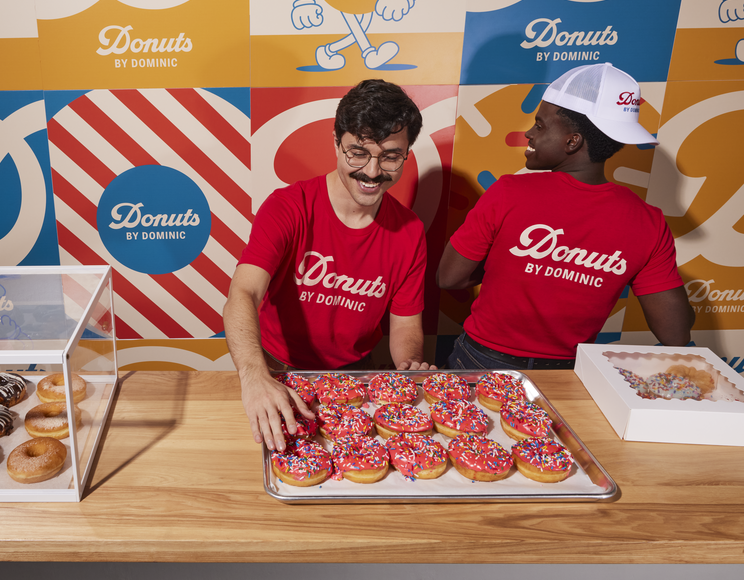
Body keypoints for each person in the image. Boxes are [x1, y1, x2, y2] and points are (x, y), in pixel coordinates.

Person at [437, 63, 694, 370]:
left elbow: (449, 277)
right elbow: (676, 332)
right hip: (568, 372)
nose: (529, 133)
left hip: (482, 361)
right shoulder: (648, 221)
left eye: (540, 126)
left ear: (573, 141)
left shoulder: (509, 192)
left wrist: (503, 264)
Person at [224, 79, 433, 451]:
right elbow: (243, 291)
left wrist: (409, 367)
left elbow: (405, 326)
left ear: (406, 154)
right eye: (358, 152)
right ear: (336, 142)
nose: (372, 171)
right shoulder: (288, 206)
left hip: (356, 375)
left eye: (389, 156)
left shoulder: (411, 230)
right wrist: (254, 376)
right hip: (275, 370)